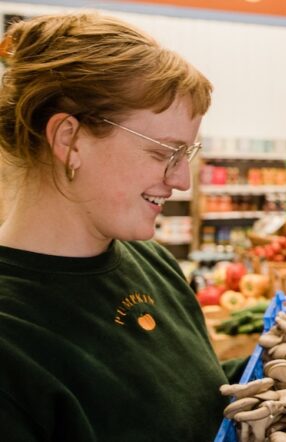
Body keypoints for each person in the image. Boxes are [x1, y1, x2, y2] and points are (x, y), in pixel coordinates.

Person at [0, 12, 237, 440]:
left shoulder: (153, 262)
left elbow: (192, 396)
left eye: (188, 153)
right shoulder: (12, 334)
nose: (181, 180)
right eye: (164, 151)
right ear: (69, 140)